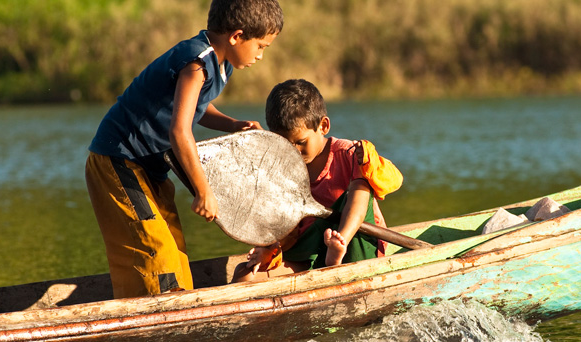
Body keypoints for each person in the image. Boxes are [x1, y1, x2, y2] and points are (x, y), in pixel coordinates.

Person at [85, 0, 284, 298]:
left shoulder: (219, 63)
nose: (260, 55)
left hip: (148, 166)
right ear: (236, 36)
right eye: (260, 46)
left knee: (174, 247)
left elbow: (194, 107)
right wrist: (204, 191)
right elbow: (180, 132)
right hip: (119, 160)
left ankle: (177, 307)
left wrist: (233, 124)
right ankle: (161, 315)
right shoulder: (196, 61)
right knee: (155, 247)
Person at [233, 79, 403, 282]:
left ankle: (339, 245)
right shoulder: (281, 166)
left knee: (357, 187)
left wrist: (340, 241)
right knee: (244, 274)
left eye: (301, 142)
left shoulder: (348, 154)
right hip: (309, 252)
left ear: (323, 126)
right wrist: (267, 249)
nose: (294, 151)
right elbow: (280, 219)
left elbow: (392, 179)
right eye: (285, 144)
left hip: (355, 247)